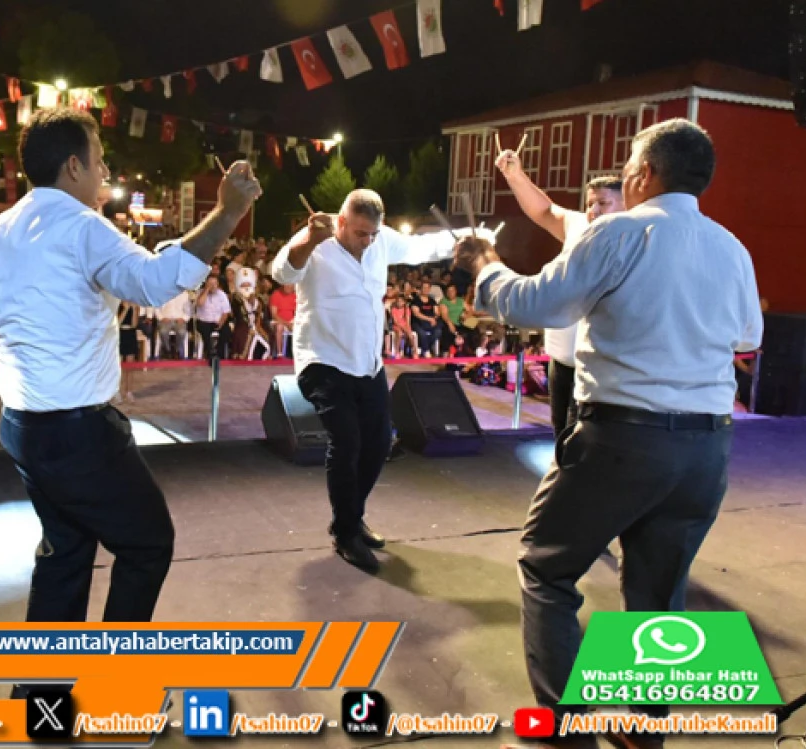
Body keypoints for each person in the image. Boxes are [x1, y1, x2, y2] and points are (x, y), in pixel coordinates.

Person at [457, 119, 763, 749]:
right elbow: (748, 337)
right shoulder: (731, 247)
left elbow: (535, 304)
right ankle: (644, 731)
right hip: (706, 448)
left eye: (627, 168)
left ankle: (568, 729)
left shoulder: (619, 232)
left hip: (624, 437)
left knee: (547, 567)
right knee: (659, 594)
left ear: (645, 174)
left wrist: (486, 268)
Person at [0, 108, 260, 645]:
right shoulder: (82, 226)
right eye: (99, 160)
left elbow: (122, 273)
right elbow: (155, 284)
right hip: (77, 431)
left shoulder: (5, 226)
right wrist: (228, 212)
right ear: (73, 166)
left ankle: (41, 686)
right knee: (147, 544)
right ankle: (114, 679)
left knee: (65, 552)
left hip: (22, 422)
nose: (105, 172)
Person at [271, 189, 496, 572]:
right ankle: (346, 534)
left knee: (378, 444)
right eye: (360, 233)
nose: (368, 241)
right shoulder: (316, 239)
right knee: (347, 441)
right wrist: (308, 239)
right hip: (323, 360)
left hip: (367, 363)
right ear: (342, 222)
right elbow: (282, 273)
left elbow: (420, 247)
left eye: (373, 233)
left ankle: (351, 516)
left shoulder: (380, 241)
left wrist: (473, 237)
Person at [496, 149, 625, 436]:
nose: (594, 211)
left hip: (597, 366)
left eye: (603, 203)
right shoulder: (579, 225)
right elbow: (544, 210)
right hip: (561, 358)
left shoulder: (632, 239)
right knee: (560, 432)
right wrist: (515, 176)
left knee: (582, 438)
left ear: (627, 206)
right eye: (590, 203)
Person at [194, 275, 232, 360]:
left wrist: (221, 322)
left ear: (218, 284)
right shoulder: (200, 293)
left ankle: (218, 352)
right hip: (204, 321)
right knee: (205, 330)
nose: (212, 286)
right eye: (210, 283)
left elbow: (226, 312)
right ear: (206, 283)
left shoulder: (222, 294)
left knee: (227, 331)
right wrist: (206, 290)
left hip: (218, 321)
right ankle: (209, 352)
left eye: (214, 283)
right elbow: (200, 303)